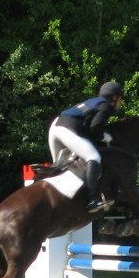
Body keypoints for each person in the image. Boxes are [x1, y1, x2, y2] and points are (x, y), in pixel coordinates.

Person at [48, 81, 124, 212]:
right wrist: (103, 136)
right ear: (114, 98)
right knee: (93, 157)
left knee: (59, 167)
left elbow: (89, 127)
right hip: (68, 128)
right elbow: (95, 127)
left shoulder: (94, 101)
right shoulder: (106, 106)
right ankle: (92, 200)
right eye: (120, 98)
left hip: (55, 126)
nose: (121, 102)